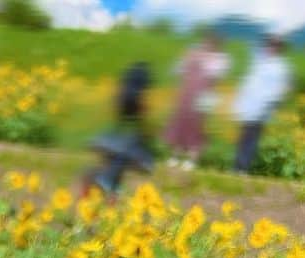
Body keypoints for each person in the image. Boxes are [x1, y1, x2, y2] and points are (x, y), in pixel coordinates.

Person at [80, 61, 155, 197]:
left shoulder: (120, 95)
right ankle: (105, 182)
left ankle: (99, 181)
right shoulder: (139, 102)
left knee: (114, 162)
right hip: (124, 146)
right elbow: (143, 129)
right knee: (131, 160)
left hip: (107, 141)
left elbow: (119, 121)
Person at [165, 30, 229, 169]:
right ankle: (175, 156)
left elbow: (215, 75)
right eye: (205, 42)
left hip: (205, 96)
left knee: (198, 126)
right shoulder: (193, 52)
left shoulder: (221, 58)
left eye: (211, 42)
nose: (207, 45)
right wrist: (187, 59)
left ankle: (192, 159)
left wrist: (201, 60)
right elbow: (176, 70)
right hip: (187, 91)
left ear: (217, 44)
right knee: (180, 121)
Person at [233, 35, 291, 174]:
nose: (270, 48)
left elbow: (283, 88)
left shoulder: (281, 67)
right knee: (244, 137)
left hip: (263, 107)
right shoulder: (261, 62)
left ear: (279, 49)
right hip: (250, 104)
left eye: (273, 46)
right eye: (269, 46)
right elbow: (249, 82)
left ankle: (243, 168)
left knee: (251, 137)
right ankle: (236, 167)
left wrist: (269, 101)